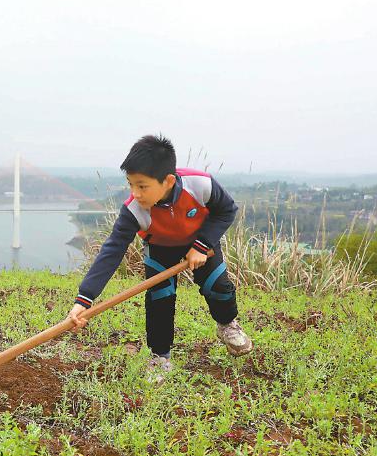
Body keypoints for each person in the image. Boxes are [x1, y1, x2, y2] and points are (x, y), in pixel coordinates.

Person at [67, 135, 252, 383]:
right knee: (159, 299)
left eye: (142, 186)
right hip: (160, 248)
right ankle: (159, 356)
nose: (135, 193)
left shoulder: (200, 184)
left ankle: (227, 324)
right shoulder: (134, 209)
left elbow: (226, 211)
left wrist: (201, 245)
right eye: (131, 184)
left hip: (202, 242)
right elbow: (112, 251)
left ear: (168, 181)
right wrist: (84, 298)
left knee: (218, 286)